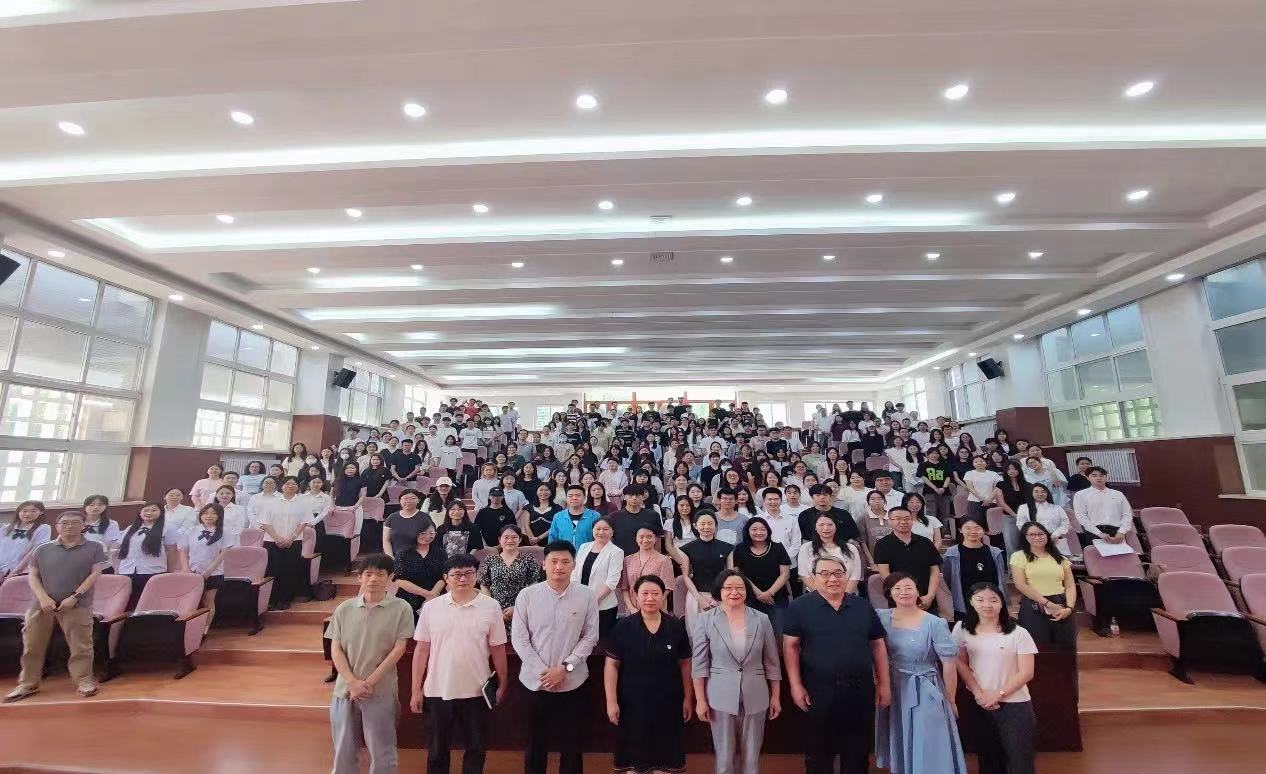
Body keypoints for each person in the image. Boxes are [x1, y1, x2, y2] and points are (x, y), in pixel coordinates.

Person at [783, 555, 891, 774]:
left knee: (857, 752)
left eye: (838, 573)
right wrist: (795, 685)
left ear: (846, 575)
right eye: (824, 574)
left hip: (859, 690)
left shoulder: (862, 606)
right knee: (818, 752)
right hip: (818, 690)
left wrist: (884, 684)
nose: (832, 578)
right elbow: (790, 646)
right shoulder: (799, 607)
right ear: (813, 577)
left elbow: (878, 645)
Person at [409, 554, 510, 774]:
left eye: (469, 573)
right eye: (457, 574)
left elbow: (498, 648)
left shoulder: (491, 606)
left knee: (476, 748)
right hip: (437, 690)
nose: (463, 579)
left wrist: (503, 683)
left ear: (476, 576)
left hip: (477, 691)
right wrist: (416, 690)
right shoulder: (431, 607)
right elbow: (421, 650)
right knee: (437, 750)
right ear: (446, 578)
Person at [512, 540, 600, 774]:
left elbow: (590, 637)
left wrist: (565, 668)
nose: (559, 566)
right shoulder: (527, 595)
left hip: (573, 681)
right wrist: (544, 672)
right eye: (554, 561)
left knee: (572, 745)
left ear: (574, 565)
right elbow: (519, 639)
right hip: (535, 683)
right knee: (535, 744)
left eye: (565, 562)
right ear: (544, 564)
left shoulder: (587, 596)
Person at [5, 511, 108, 703]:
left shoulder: (95, 547)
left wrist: (75, 596)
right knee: (32, 645)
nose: (69, 526)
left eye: (75, 522)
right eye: (64, 523)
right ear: (57, 526)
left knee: (81, 646)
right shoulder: (42, 549)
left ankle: (84, 681)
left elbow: (95, 574)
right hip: (41, 605)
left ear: (83, 525)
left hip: (78, 604)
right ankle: (27, 683)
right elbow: (33, 576)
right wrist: (43, 598)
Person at [328, 554, 414, 774]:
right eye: (368, 574)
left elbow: (399, 649)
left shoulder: (401, 608)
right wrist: (352, 682)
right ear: (359, 578)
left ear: (390, 577)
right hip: (345, 691)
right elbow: (336, 648)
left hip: (380, 691)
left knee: (382, 751)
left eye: (380, 574)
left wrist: (367, 684)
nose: (373, 579)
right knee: (343, 751)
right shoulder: (344, 608)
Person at [874, 572, 967, 774]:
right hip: (893, 688)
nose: (904, 592)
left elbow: (949, 664)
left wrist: (950, 699)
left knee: (930, 740)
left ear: (918, 592)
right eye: (897, 588)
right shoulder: (880, 617)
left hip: (925, 688)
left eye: (909, 588)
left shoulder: (934, 622)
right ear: (890, 593)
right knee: (900, 737)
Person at [691, 570, 781, 774]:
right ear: (719, 591)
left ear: (746, 591)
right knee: (724, 759)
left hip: (756, 694)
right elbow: (699, 664)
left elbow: (772, 662)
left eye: (740, 588)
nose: (734, 592)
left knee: (752, 759)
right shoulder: (705, 620)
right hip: (719, 696)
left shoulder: (762, 619)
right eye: (728, 588)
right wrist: (700, 700)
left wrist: (775, 696)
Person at [604, 574, 694, 774]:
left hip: (669, 703)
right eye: (645, 593)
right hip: (632, 704)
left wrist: (688, 698)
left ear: (663, 596)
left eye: (655, 593)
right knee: (635, 762)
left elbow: (685, 663)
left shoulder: (675, 626)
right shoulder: (623, 627)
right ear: (635, 596)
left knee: (666, 761)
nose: (650, 598)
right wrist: (611, 701)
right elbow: (611, 665)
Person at [952, 583, 1038, 774]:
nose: (987, 605)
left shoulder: (1018, 632)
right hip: (980, 702)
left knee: (1019, 761)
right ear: (971, 602)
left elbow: (1027, 672)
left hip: (1015, 704)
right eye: (980, 600)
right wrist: (978, 693)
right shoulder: (961, 629)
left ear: (1002, 603)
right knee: (988, 759)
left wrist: (997, 694)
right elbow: (960, 662)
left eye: (993, 600)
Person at [1010, 521, 1077, 648]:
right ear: (1025, 537)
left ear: (1047, 535)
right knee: (1037, 646)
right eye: (1032, 534)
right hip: (1034, 604)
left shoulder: (1060, 558)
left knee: (1064, 648)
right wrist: (1048, 604)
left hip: (1061, 605)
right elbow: (1020, 585)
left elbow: (1070, 586)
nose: (1037, 537)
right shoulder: (1019, 556)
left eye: (1041, 534)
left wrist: (1069, 608)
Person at [728, 516, 792, 635]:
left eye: (763, 529)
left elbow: (785, 574)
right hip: (750, 598)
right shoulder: (740, 549)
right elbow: (738, 573)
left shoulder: (778, 547)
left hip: (777, 598)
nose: (759, 532)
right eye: (754, 529)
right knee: (753, 633)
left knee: (780, 632)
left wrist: (769, 593)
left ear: (768, 531)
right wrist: (758, 593)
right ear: (747, 531)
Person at [259, 476, 314, 610]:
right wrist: (276, 537)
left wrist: (291, 538)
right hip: (271, 541)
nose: (290, 486)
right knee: (272, 569)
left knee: (289, 570)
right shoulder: (271, 502)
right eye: (287, 483)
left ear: (298, 487)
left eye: (294, 484)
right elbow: (265, 522)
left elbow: (303, 523)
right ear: (281, 486)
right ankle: (271, 600)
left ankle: (285, 599)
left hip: (294, 541)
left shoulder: (303, 503)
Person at [874, 508, 943, 613]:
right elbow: (885, 575)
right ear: (889, 521)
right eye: (898, 518)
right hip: (899, 601)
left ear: (912, 521)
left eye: (907, 518)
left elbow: (934, 570)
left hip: (926, 600)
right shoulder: (882, 544)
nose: (903, 522)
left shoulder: (925, 542)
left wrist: (930, 595)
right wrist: (904, 596)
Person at [180, 503, 237, 630]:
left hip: (213, 573)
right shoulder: (191, 530)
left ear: (219, 516)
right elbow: (183, 551)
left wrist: (208, 571)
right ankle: (190, 629)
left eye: (213, 513)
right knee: (191, 602)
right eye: (205, 513)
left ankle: (204, 629)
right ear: (201, 515)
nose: (209, 516)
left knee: (208, 602)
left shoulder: (224, 532)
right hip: (192, 572)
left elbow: (223, 554)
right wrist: (186, 569)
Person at [117, 501, 181, 608]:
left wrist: (170, 571)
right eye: (146, 510)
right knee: (126, 603)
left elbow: (171, 551)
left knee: (147, 603)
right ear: (140, 513)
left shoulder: (168, 528)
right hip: (127, 570)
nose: (149, 513)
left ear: (161, 512)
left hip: (152, 571)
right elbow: (122, 549)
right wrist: (118, 570)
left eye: (154, 510)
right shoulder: (131, 528)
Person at [478, 525, 540, 633]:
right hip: (495, 611)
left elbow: (533, 585)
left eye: (514, 537)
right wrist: (494, 608)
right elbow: (484, 585)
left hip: (521, 610)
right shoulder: (490, 560)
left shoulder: (528, 559)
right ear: (499, 539)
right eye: (506, 537)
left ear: (520, 539)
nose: (510, 540)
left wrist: (517, 608)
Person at [942, 518, 1007, 622]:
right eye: (968, 528)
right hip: (963, 606)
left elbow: (1000, 581)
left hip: (990, 605)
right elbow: (948, 580)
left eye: (977, 528)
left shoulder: (995, 553)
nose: (973, 531)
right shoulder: (951, 554)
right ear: (960, 530)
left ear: (984, 530)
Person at [679, 512, 736, 623]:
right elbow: (686, 576)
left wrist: (718, 597)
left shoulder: (727, 548)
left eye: (710, 523)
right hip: (697, 595)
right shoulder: (687, 549)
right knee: (696, 630)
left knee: (722, 629)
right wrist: (699, 599)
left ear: (716, 525)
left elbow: (730, 575)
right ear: (695, 526)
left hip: (721, 595)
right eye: (702, 524)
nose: (706, 527)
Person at [573, 517, 625, 637]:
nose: (601, 532)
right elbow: (574, 573)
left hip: (604, 606)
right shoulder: (584, 547)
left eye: (605, 529)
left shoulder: (616, 552)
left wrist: (592, 601)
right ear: (593, 530)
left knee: (601, 641)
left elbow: (612, 582)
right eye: (598, 529)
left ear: (612, 532)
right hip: (580, 603)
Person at [797, 512, 862, 594]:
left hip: (847, 595)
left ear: (836, 526)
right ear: (815, 527)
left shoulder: (851, 548)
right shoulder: (806, 548)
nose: (826, 528)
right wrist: (825, 597)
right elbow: (805, 575)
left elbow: (855, 576)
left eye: (830, 525)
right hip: (816, 595)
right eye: (821, 525)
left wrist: (842, 597)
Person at [393, 521, 446, 619]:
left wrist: (433, 595)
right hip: (409, 599)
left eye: (431, 533)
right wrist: (428, 595)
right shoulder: (403, 554)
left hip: (437, 597)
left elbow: (444, 576)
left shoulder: (440, 552)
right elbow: (400, 580)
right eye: (423, 533)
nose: (428, 536)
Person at [1072, 466, 1135, 548]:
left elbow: (1127, 514)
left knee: (1119, 555)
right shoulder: (1080, 495)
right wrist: (1099, 534)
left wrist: (1122, 532)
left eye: (1101, 475)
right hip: (1093, 532)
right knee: (1095, 556)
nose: (1098, 478)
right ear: (1087, 477)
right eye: (1094, 476)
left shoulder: (1118, 494)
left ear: (1106, 477)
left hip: (1117, 533)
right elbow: (1081, 516)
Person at [620, 525, 675, 613]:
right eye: (641, 537)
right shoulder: (628, 560)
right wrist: (632, 609)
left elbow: (667, 587)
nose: (645, 540)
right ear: (636, 539)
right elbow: (624, 588)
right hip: (632, 610)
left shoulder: (664, 560)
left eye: (649, 537)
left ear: (656, 539)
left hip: (656, 609)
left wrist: (651, 604)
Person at [1014, 483, 1073, 557]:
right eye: (1036, 491)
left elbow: (1065, 523)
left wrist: (1055, 534)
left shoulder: (1057, 508)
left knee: (1060, 562)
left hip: (1055, 541)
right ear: (1031, 493)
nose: (1040, 494)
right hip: (1034, 541)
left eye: (1043, 491)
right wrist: (1035, 535)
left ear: (1047, 493)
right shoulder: (1024, 508)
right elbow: (1021, 524)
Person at [1, 501, 51, 581]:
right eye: (24, 511)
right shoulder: (5, 528)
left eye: (33, 511)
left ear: (41, 512)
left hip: (22, 571)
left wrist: (15, 572)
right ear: (18, 512)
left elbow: (34, 552)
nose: (28, 514)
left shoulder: (43, 528)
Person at [608, 484, 661, 555]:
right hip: (621, 557)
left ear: (643, 497)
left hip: (647, 557)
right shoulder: (614, 517)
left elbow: (658, 538)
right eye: (630, 495)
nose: (634, 498)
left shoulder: (653, 515)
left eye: (638, 495)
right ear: (624, 497)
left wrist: (657, 556)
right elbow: (610, 539)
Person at [547, 484, 601, 550]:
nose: (574, 498)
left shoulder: (594, 516)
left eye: (578, 495)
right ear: (566, 498)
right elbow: (553, 538)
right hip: (564, 554)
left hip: (587, 554)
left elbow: (599, 538)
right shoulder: (558, 516)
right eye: (570, 496)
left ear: (584, 497)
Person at [383, 488, 426, 556]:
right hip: (395, 557)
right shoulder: (392, 517)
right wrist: (390, 558)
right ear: (400, 501)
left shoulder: (425, 518)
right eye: (405, 498)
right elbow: (386, 540)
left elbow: (427, 541)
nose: (409, 501)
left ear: (418, 500)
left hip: (417, 557)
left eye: (413, 498)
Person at [961, 455, 1002, 522]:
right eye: (976, 462)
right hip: (975, 501)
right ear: (973, 464)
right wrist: (982, 499)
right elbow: (971, 488)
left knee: (992, 523)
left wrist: (989, 499)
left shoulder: (993, 474)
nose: (979, 463)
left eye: (982, 461)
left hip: (991, 501)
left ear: (986, 462)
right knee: (977, 522)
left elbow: (997, 488)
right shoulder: (969, 473)